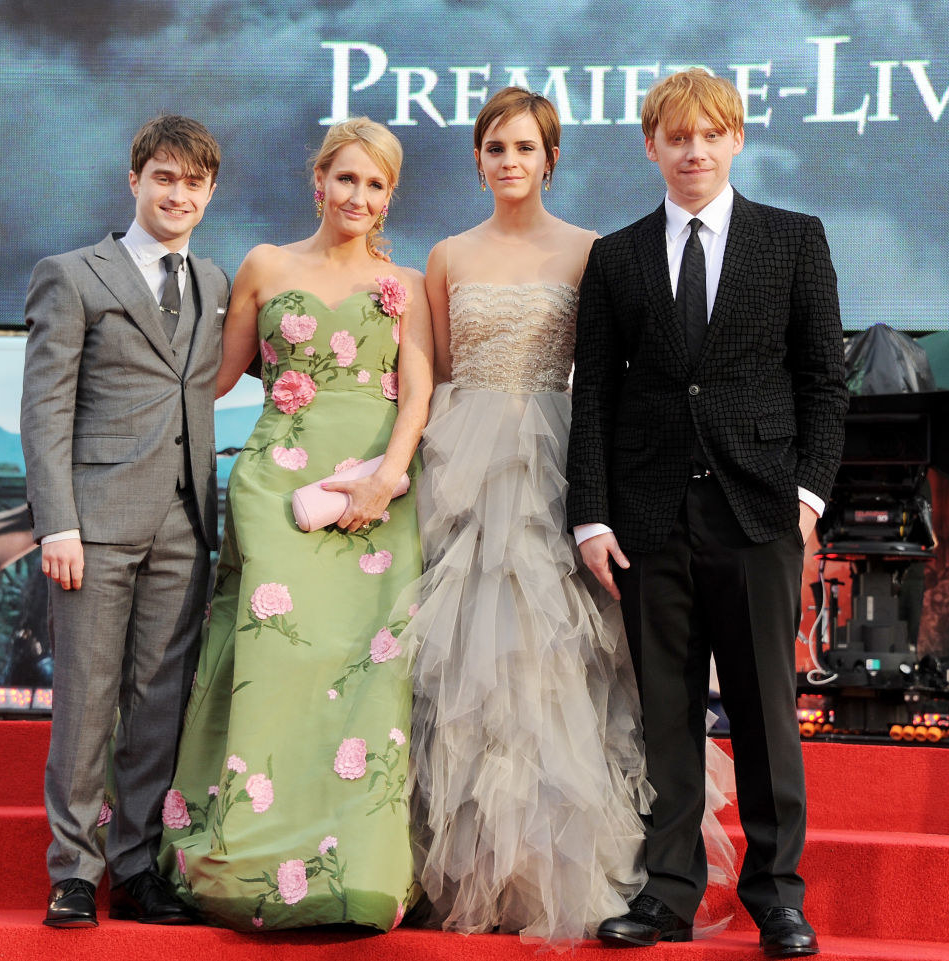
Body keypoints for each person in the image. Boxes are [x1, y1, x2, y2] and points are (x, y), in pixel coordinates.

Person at [401, 87, 735, 946]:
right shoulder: (444, 255)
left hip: (562, 458)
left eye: (525, 148)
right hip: (462, 463)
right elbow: (434, 371)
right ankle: (466, 866)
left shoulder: (597, 251)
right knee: (462, 663)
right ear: (477, 160)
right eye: (495, 148)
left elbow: (615, 374)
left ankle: (567, 869)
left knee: (563, 663)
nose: (510, 161)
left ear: (552, 159)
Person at [568, 69, 847, 958]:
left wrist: (806, 498)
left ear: (735, 140)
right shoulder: (615, 256)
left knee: (767, 709)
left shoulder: (793, 240)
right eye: (675, 137)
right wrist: (591, 517)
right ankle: (668, 893)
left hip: (759, 511)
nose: (693, 151)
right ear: (650, 145)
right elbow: (594, 402)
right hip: (647, 519)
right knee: (664, 713)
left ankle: (776, 896)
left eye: (709, 135)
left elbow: (823, 383)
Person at [158, 117, 433, 933]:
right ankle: (248, 858)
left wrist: (387, 477)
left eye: (376, 184)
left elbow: (417, 393)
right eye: (346, 178)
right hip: (276, 484)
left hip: (378, 493)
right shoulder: (266, 265)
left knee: (367, 669)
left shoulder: (410, 283)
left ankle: (361, 871)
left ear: (389, 198)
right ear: (319, 181)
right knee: (281, 655)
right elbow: (214, 378)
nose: (359, 195)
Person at [20, 115, 229, 928]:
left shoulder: (213, 281)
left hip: (184, 522)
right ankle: (73, 869)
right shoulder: (71, 275)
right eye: (164, 178)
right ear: (133, 181)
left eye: (194, 182)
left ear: (211, 194)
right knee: (84, 700)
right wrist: (55, 524)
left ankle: (137, 866)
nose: (178, 194)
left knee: (156, 703)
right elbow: (45, 410)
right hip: (95, 525)